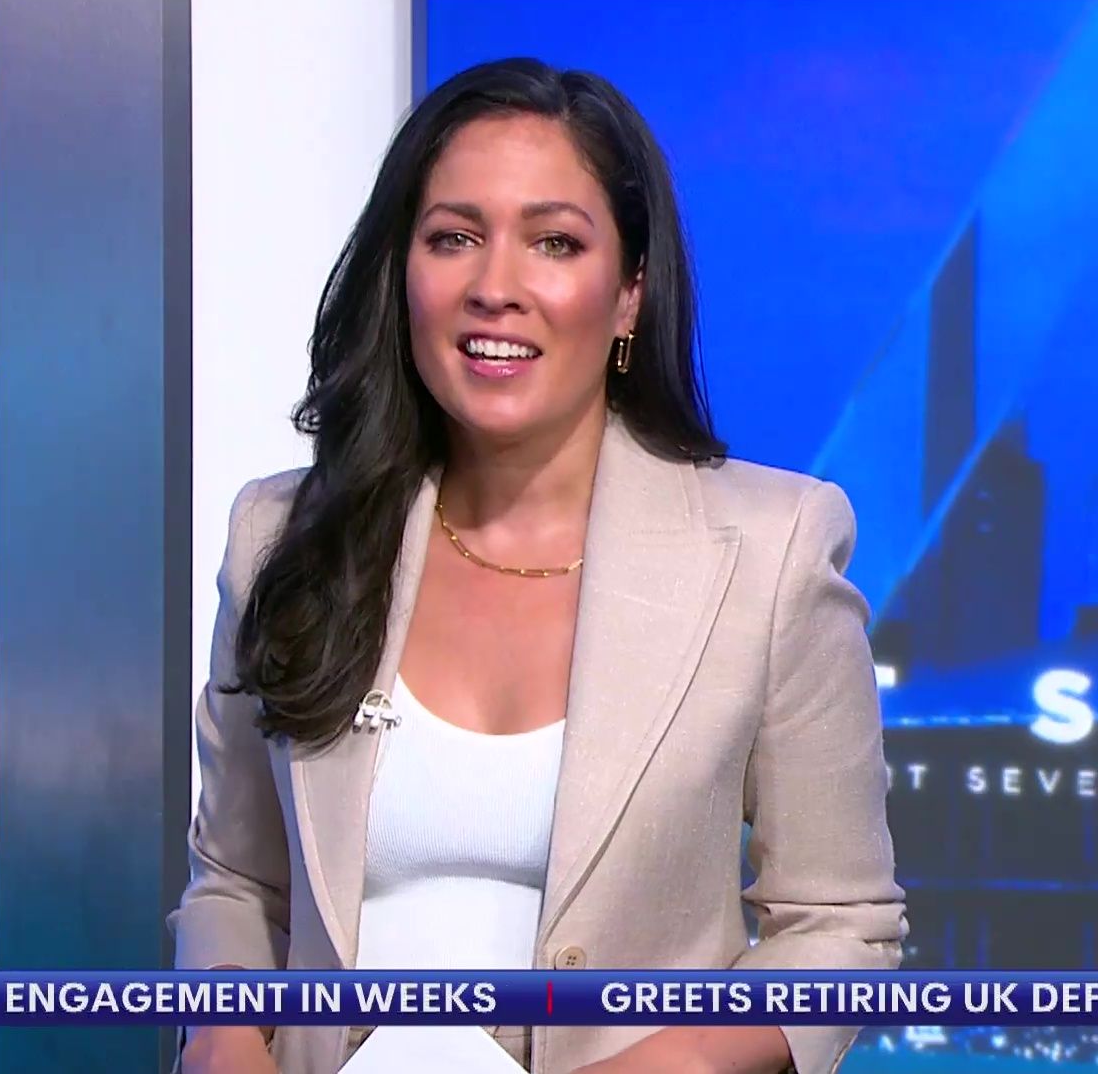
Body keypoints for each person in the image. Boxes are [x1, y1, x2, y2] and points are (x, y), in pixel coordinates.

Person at [171, 57, 905, 1074]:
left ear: (629, 293)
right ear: (401, 272)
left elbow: (840, 929)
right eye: (453, 238)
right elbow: (238, 883)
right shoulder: (283, 535)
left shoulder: (774, 549)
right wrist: (222, 1040)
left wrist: (665, 1067)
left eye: (554, 242)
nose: (495, 288)